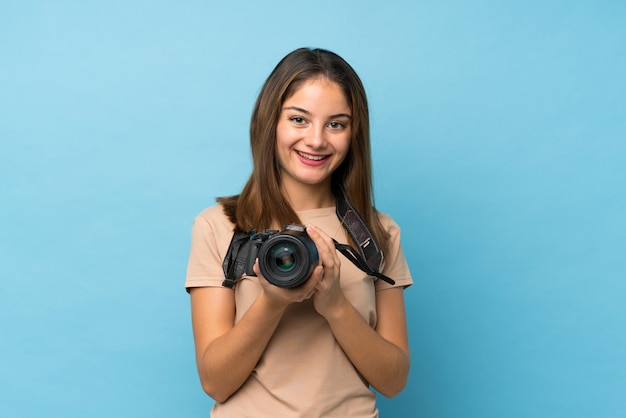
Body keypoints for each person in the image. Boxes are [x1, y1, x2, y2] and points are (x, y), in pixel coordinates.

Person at [185, 47, 413, 417]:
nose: (317, 140)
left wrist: (335, 305)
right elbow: (215, 381)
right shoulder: (220, 226)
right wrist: (272, 303)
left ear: (354, 133)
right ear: (270, 121)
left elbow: (393, 381)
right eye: (299, 119)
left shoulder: (377, 233)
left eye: (336, 123)